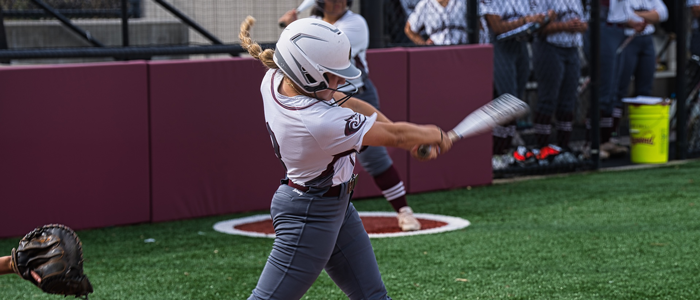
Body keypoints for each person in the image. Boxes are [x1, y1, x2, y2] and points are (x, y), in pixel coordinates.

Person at [239, 16, 452, 300]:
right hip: (309, 215)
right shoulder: (319, 121)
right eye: (331, 74)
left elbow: (350, 102)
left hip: (333, 205)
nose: (339, 81)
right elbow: (396, 137)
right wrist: (434, 134)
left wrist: (415, 140)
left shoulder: (276, 78)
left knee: (373, 296)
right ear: (305, 71)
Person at [278, 0, 423, 231]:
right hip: (322, 99)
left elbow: (330, 49)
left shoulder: (356, 23)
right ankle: (318, 213)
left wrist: (295, 27)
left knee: (374, 156)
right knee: (322, 159)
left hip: (358, 94)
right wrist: (295, 27)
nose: (336, 3)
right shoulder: (312, 23)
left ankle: (404, 211)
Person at [481, 0, 551, 167]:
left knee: (516, 102)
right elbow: (496, 26)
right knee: (507, 100)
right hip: (501, 45)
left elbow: (535, 15)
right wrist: (526, 20)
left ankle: (505, 151)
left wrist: (543, 18)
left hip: (520, 44)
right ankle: (495, 153)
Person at [530, 0, 587, 162]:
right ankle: (543, 149)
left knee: (568, 101)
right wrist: (565, 26)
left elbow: (585, 26)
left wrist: (578, 26)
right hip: (549, 48)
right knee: (548, 99)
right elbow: (538, 28)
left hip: (572, 49)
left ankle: (563, 147)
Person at [615, 0, 668, 136]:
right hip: (627, 38)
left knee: (645, 88)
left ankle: (640, 131)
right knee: (620, 88)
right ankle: (612, 133)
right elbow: (622, 17)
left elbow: (663, 13)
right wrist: (649, 15)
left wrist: (637, 14)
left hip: (647, 40)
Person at [404, 0, 468, 45]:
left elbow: (477, 24)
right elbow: (409, 29)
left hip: (462, 46)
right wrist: (424, 45)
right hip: (437, 49)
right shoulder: (425, 4)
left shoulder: (463, 2)